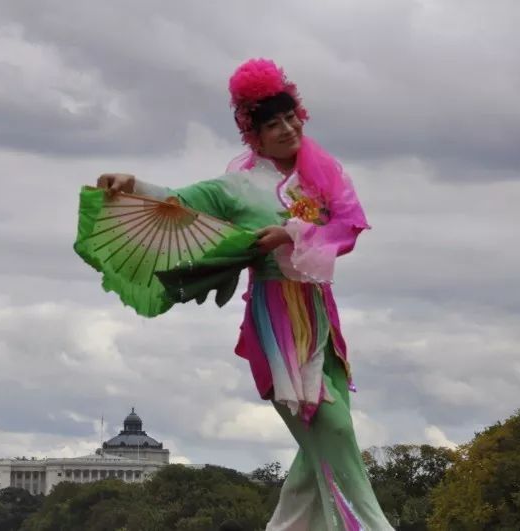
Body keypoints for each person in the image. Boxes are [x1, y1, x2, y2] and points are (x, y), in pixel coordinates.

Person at [97, 58, 392, 530]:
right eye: (273, 124)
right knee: (332, 429)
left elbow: (347, 227)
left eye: (290, 117)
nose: (287, 129)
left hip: (319, 313)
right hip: (277, 318)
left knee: (321, 446)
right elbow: (179, 203)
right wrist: (133, 186)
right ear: (254, 134)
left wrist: (291, 233)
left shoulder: (321, 174)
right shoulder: (238, 185)